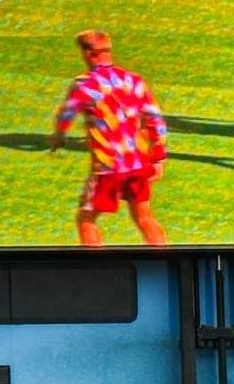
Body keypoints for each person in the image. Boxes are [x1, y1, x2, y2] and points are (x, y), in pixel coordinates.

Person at [49, 30, 167, 246]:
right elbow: (155, 118)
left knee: (86, 219)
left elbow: (66, 114)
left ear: (88, 53)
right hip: (138, 163)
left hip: (108, 167)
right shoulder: (133, 80)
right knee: (144, 218)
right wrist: (158, 156)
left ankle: (96, 270)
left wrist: (58, 136)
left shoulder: (85, 84)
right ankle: (165, 260)